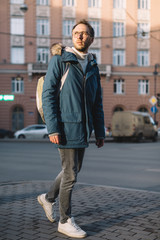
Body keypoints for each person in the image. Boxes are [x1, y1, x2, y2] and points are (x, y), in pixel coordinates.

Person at [37, 19, 105, 238]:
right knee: (71, 175)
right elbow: (48, 95)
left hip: (84, 129)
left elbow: (97, 102)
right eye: (76, 32)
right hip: (66, 127)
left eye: (84, 33)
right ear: (72, 36)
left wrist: (100, 131)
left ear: (91, 39)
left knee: (72, 171)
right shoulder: (61, 60)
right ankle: (65, 220)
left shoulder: (93, 65)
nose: (80, 36)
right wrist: (53, 128)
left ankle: (47, 198)